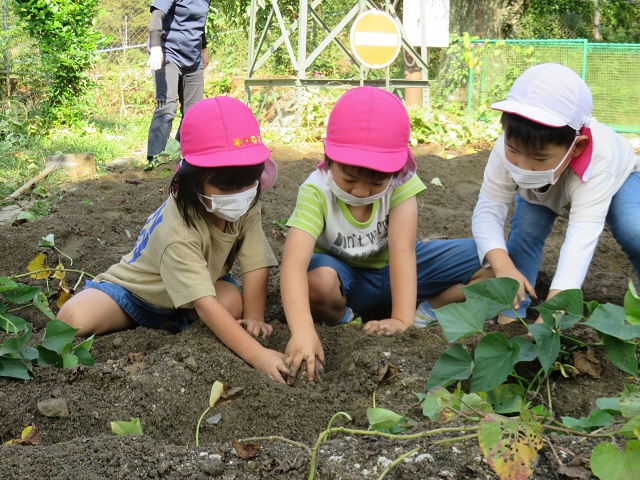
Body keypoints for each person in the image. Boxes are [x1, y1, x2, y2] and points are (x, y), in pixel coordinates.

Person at [58, 96, 289, 383]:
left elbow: (255, 262)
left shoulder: (246, 201)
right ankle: (166, 322)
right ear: (193, 180)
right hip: (138, 296)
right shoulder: (177, 229)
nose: (239, 193)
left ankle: (183, 321)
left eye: (248, 182)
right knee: (71, 320)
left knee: (232, 302)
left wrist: (255, 318)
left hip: (194, 297)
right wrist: (258, 355)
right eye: (226, 186)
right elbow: (206, 306)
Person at [280, 86, 490, 382]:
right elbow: (292, 264)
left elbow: (403, 250)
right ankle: (346, 321)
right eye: (349, 179)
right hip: (349, 283)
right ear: (329, 157)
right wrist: (302, 331)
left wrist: (401, 320)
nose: (362, 191)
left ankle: (426, 312)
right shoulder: (316, 191)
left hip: (400, 272)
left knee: (492, 258)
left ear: (396, 170)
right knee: (318, 281)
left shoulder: (401, 182)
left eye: (377, 182)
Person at [472, 63, 640, 324]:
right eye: (513, 150)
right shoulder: (507, 150)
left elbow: (581, 235)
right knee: (525, 232)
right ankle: (511, 311)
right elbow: (488, 209)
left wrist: (556, 308)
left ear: (576, 146)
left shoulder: (600, 163)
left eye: (538, 158)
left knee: (634, 229)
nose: (522, 166)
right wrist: (503, 267)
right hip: (544, 189)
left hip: (617, 179)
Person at [146, 0, 210, 165]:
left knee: (194, 113)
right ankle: (155, 159)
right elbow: (157, 16)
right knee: (167, 108)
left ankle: (182, 157)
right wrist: (155, 48)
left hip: (193, 56)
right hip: (168, 53)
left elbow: (198, 23)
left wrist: (203, 49)